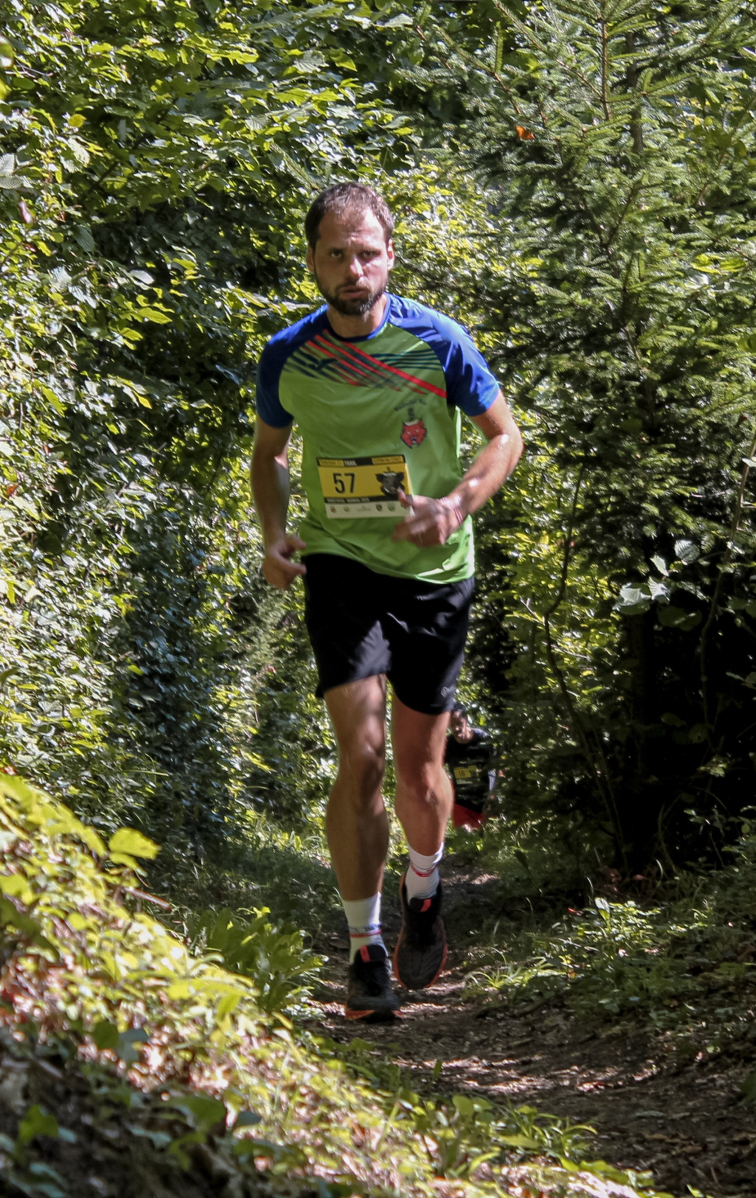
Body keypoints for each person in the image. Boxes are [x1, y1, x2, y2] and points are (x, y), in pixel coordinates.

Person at [250, 182, 523, 1020]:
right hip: (341, 566)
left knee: (417, 771)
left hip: (435, 572)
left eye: (366, 253)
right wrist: (274, 531)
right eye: (336, 254)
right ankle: (365, 949)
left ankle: (426, 888)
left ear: (390, 257)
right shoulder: (288, 355)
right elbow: (270, 454)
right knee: (361, 757)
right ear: (312, 262)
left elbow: (505, 437)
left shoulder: (437, 341)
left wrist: (456, 505)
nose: (353, 269)